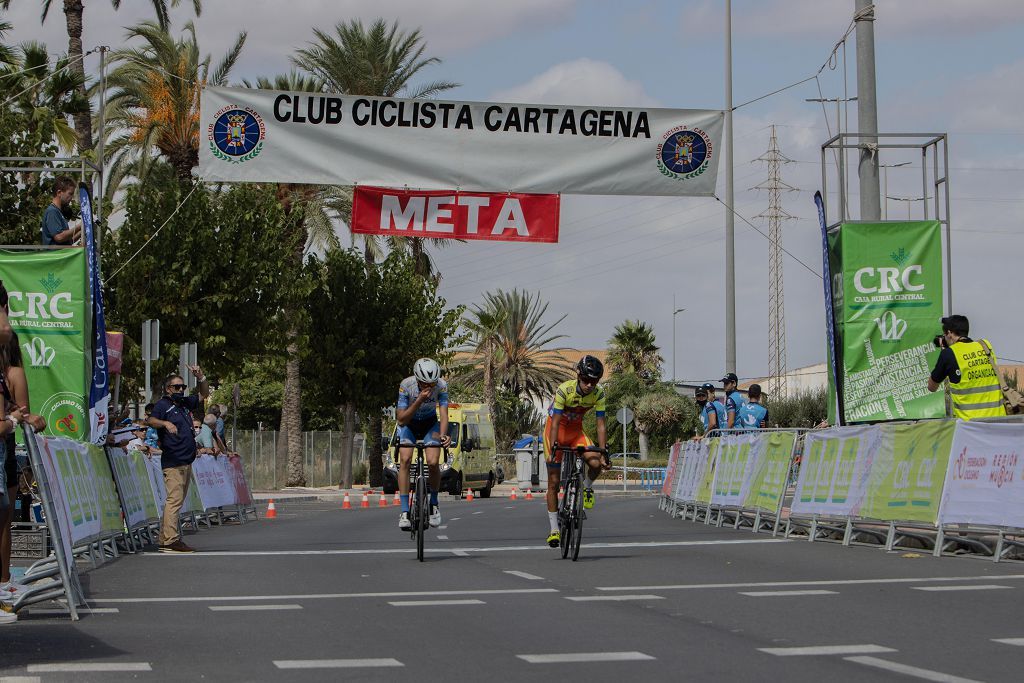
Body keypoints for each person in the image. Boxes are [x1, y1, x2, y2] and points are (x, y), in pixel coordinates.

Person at [542, 356, 609, 548]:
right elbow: (554, 422)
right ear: (578, 375)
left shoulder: (599, 394)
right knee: (554, 483)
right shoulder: (565, 389)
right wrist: (554, 446)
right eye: (586, 380)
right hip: (555, 433)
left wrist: (603, 452)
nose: (589, 385)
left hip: (576, 434)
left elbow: (601, 425)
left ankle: (586, 487)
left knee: (596, 464)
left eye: (594, 382)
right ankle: (554, 530)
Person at [0, 327, 46, 606]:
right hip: (4, 448)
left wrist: (26, 418)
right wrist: (21, 418)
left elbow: (26, 414)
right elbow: (25, 413)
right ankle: (4, 581)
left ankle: (4, 582)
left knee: (5, 520)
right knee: (4, 521)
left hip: (5, 449)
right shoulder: (14, 373)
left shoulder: (11, 373)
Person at [146, 367, 209, 553]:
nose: (181, 390)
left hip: (185, 460)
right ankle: (171, 541)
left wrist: (201, 377)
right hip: (173, 460)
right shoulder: (164, 405)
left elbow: (203, 394)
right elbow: (151, 421)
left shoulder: (184, 403)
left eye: (183, 386)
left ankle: (166, 538)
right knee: (174, 501)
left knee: (177, 501)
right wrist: (165, 423)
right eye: (176, 387)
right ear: (168, 389)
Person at [395, 358, 450, 530]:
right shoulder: (406, 386)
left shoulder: (441, 386)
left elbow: (443, 414)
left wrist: (442, 435)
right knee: (404, 460)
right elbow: (401, 419)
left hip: (430, 425)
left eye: (432, 384)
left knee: (433, 462)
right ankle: (405, 511)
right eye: (426, 384)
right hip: (409, 425)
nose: (430, 387)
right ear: (417, 380)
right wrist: (418, 400)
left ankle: (433, 505)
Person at [927, 314, 1006, 419]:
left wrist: (944, 352)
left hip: (971, 426)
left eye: (944, 334)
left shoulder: (949, 354)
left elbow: (931, 387)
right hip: (998, 420)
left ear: (949, 333)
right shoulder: (985, 345)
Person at [41, 176, 82, 246]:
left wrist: (82, 232)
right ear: (59, 192)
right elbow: (59, 237)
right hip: (55, 256)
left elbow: (68, 241)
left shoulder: (59, 212)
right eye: (70, 194)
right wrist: (80, 226)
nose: (71, 198)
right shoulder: (52, 211)